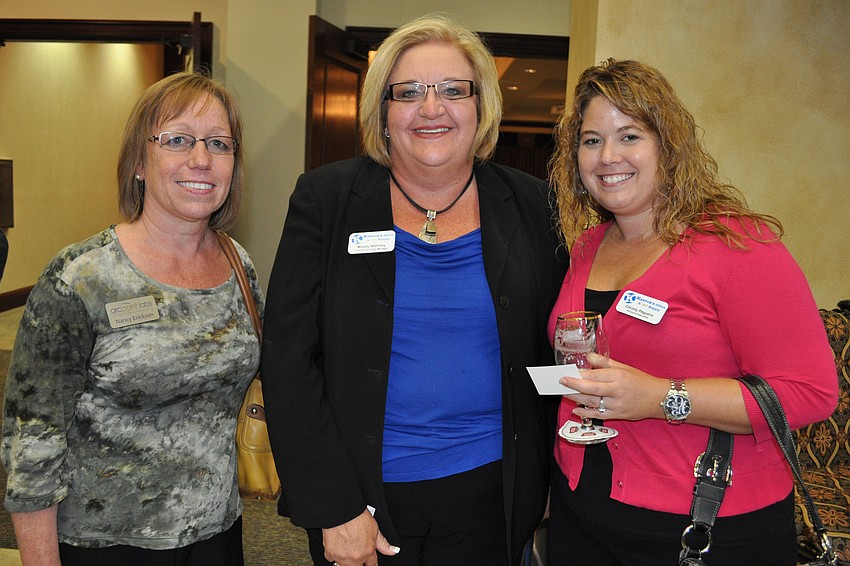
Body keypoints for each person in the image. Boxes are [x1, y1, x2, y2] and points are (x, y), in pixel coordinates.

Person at [261, 12, 567, 566]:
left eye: (453, 90)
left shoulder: (533, 205)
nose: (432, 108)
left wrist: (548, 477)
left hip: (493, 494)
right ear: (383, 112)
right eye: (409, 93)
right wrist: (332, 505)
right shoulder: (326, 200)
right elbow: (287, 360)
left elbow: (553, 346)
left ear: (482, 107)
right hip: (364, 496)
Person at [545, 58, 837, 565]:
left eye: (629, 135)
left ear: (668, 146)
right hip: (582, 514)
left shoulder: (739, 247)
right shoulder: (588, 246)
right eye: (591, 141)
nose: (608, 156)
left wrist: (661, 397)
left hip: (704, 527)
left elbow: (809, 393)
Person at [1, 71, 261, 565]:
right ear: (140, 162)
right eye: (178, 140)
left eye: (219, 144)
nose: (201, 159)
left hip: (217, 535)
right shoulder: (81, 278)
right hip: (105, 546)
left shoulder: (238, 266)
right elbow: (31, 444)